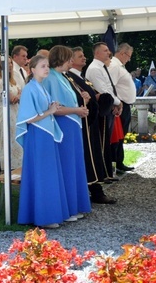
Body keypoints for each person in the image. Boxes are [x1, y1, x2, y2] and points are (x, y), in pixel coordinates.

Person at [16, 55, 69, 228]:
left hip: (45, 135)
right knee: (42, 173)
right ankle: (43, 217)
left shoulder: (39, 87)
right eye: (43, 66)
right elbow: (28, 118)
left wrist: (51, 107)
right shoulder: (30, 88)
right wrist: (50, 111)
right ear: (32, 69)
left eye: (47, 66)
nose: (47, 69)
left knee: (47, 173)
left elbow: (42, 110)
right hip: (38, 135)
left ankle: (47, 214)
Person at [43, 45, 91, 220]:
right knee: (67, 167)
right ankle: (68, 208)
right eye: (69, 58)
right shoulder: (52, 78)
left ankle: (74, 205)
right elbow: (55, 108)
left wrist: (80, 105)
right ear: (62, 58)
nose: (72, 61)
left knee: (74, 165)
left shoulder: (63, 77)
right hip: (63, 126)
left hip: (71, 125)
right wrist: (77, 110)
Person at [68, 46, 116, 204]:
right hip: (82, 122)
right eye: (80, 56)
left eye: (84, 55)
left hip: (91, 121)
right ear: (71, 60)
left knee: (94, 155)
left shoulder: (80, 77)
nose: (84, 58)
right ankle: (94, 191)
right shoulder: (69, 78)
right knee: (88, 157)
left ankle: (96, 189)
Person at [85, 42, 123, 181]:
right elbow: (103, 90)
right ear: (97, 53)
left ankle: (106, 172)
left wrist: (116, 102)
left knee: (106, 141)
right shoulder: (95, 68)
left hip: (107, 106)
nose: (109, 53)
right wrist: (118, 103)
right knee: (102, 141)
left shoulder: (101, 67)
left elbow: (109, 88)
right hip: (101, 109)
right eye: (105, 50)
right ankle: (102, 173)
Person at [0, 56, 23, 171]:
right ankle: (9, 167)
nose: (10, 65)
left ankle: (19, 166)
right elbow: (12, 99)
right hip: (7, 113)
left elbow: (19, 94)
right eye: (7, 63)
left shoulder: (13, 81)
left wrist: (19, 95)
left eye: (11, 63)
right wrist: (19, 95)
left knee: (18, 140)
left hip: (16, 111)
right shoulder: (0, 82)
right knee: (9, 140)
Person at [109, 43, 136, 173]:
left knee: (121, 135)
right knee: (118, 136)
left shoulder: (119, 66)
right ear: (122, 53)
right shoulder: (114, 66)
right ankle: (116, 163)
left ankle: (119, 161)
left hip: (124, 104)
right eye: (128, 56)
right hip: (120, 104)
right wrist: (116, 102)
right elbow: (111, 86)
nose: (129, 59)